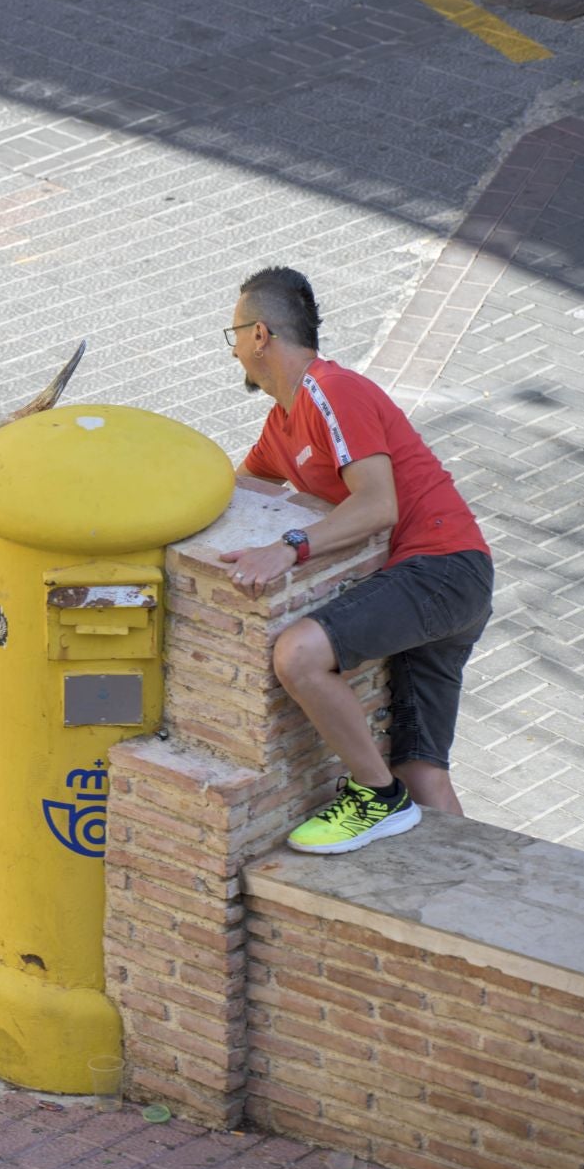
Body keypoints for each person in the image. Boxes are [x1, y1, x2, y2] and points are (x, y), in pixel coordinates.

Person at [220, 266, 493, 854]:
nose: (235, 349)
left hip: (441, 570)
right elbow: (233, 492)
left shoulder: (332, 391)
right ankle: (462, 887)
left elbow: (379, 505)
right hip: (446, 587)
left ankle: (374, 797)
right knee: (424, 776)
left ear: (261, 335)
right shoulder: (282, 423)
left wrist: (288, 547)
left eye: (235, 334)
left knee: (299, 653)